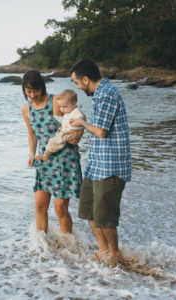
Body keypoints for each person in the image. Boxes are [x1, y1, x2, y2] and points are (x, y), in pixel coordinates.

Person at [69, 59, 131, 263]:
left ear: (85, 79)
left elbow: (101, 132)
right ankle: (103, 250)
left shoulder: (106, 94)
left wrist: (82, 122)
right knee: (88, 210)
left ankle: (115, 255)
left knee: (106, 219)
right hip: (96, 165)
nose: (77, 86)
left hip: (110, 166)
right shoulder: (99, 95)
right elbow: (97, 126)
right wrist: (83, 120)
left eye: (77, 82)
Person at [21, 70, 83, 234]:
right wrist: (32, 154)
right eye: (29, 91)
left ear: (42, 87)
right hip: (45, 159)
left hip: (64, 159)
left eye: (36, 90)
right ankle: (44, 250)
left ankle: (68, 246)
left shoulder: (56, 101)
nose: (33, 95)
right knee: (40, 206)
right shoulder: (26, 109)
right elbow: (32, 134)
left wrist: (78, 135)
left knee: (60, 209)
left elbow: (77, 118)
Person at [35, 89, 85, 161]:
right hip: (66, 130)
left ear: (74, 104)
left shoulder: (76, 112)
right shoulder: (69, 111)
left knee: (54, 141)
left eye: (64, 107)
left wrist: (76, 124)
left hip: (69, 132)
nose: (62, 109)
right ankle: (76, 152)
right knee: (61, 140)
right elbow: (65, 120)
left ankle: (45, 155)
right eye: (60, 107)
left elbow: (80, 117)